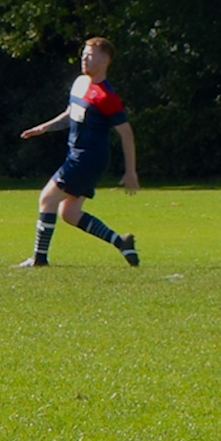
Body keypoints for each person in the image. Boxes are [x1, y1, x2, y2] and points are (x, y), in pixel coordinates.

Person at [17, 37, 140, 268]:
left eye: (90, 55)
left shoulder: (107, 96)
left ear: (104, 61)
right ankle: (121, 242)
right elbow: (71, 112)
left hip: (87, 159)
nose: (84, 58)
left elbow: (126, 133)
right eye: (84, 54)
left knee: (47, 198)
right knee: (70, 212)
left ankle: (39, 259)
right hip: (79, 157)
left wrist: (131, 171)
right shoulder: (81, 83)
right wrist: (44, 128)